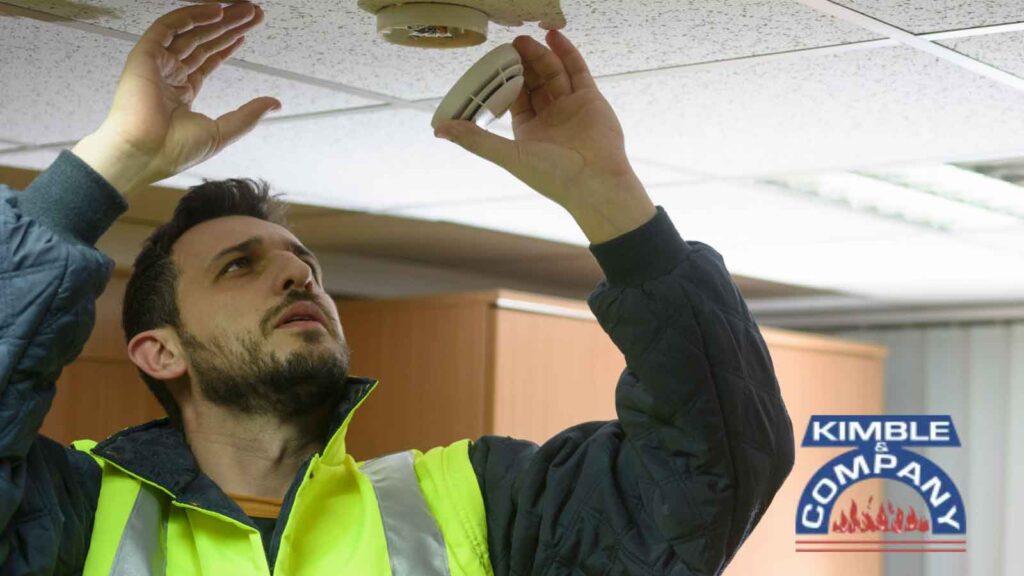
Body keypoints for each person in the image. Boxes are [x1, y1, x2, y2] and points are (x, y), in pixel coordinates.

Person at [0, 2, 794, 575]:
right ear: (159, 351)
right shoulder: (65, 509)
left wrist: (610, 197)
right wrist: (113, 158)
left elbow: (707, 479)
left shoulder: (473, 502)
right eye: (239, 266)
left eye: (304, 261)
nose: (297, 273)